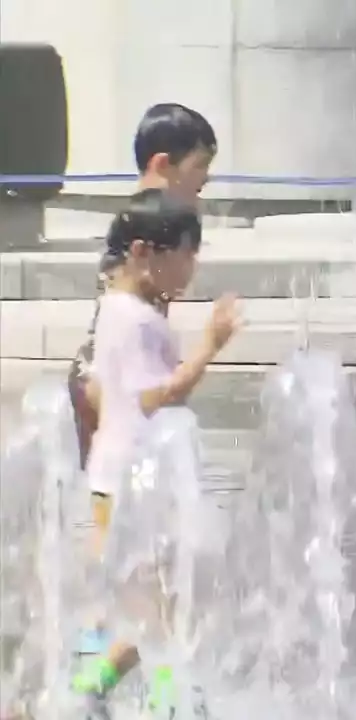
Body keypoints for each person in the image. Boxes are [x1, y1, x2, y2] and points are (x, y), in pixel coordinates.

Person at [70, 190, 240, 718]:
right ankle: (105, 692)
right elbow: (157, 396)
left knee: (149, 605)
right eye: (184, 255)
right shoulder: (139, 322)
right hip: (132, 486)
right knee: (160, 609)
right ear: (144, 252)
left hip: (113, 478)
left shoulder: (114, 309)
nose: (190, 269)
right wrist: (210, 344)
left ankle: (133, 693)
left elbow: (99, 391)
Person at [69, 102, 218, 471]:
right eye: (199, 166)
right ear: (162, 165)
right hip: (101, 382)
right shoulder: (144, 228)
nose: (206, 179)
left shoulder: (147, 222)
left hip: (107, 375)